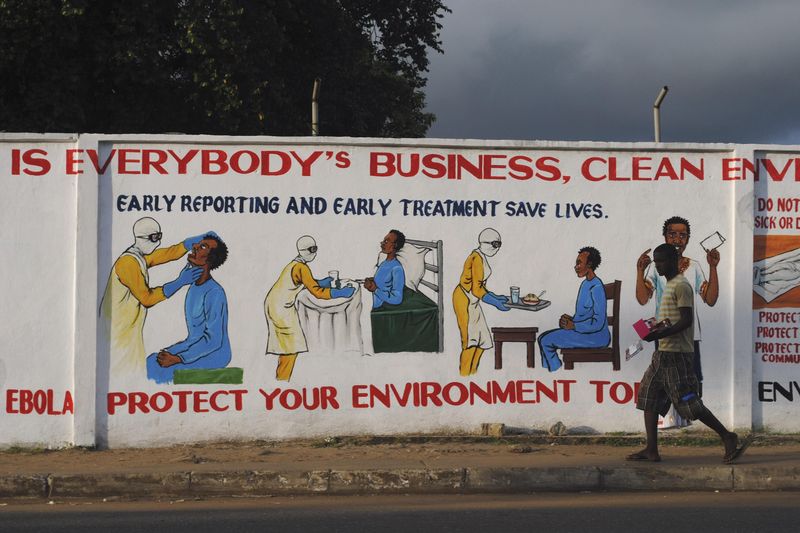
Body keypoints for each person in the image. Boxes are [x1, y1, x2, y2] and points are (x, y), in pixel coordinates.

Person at [628, 243, 750, 464]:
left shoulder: (681, 286)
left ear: (674, 261)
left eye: (662, 261)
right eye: (656, 262)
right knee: (649, 397)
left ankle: (728, 436)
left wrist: (658, 333)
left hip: (676, 355)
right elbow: (671, 318)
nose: (658, 266)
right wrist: (653, 329)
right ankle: (651, 450)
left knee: (689, 403)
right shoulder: (669, 285)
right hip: (662, 354)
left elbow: (686, 320)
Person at [100, 217, 209, 375]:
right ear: (141, 237)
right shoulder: (127, 263)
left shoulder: (139, 256)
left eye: (159, 236)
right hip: (118, 332)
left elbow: (165, 254)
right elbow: (147, 298)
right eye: (154, 238)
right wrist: (179, 282)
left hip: (129, 329)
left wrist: (187, 244)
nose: (157, 242)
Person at [636, 216, 720, 393]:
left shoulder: (694, 267)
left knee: (691, 379)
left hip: (688, 336)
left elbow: (710, 299)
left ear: (688, 239)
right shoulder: (657, 268)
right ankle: (669, 415)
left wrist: (713, 267)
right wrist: (640, 272)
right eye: (672, 234)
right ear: (665, 237)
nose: (677, 239)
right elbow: (643, 298)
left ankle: (690, 412)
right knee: (663, 378)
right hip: (663, 333)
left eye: (683, 235)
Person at [264, 235, 355, 381]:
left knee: (287, 347)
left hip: (275, 304)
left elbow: (308, 283)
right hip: (281, 308)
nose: (315, 253)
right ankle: (282, 380)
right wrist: (340, 293)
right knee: (290, 348)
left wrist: (323, 282)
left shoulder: (295, 264)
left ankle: (281, 378)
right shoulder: (301, 267)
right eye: (313, 249)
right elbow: (317, 292)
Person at [146, 234, 232, 384]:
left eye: (203, 247)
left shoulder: (215, 292)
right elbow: (194, 337)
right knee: (152, 360)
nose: (195, 247)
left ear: (210, 259)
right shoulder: (193, 287)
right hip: (193, 345)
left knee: (161, 372)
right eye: (198, 244)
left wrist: (178, 358)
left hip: (215, 353)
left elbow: (213, 340)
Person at [538, 247, 610, 372]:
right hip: (584, 333)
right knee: (542, 337)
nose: (575, 266)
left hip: (596, 337)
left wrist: (574, 326)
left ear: (590, 264)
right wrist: (570, 320)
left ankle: (554, 372)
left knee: (545, 341)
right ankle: (551, 371)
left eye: (579, 263)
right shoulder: (585, 284)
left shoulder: (597, 287)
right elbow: (585, 315)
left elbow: (598, 322)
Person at [453, 228, 509, 376]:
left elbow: (480, 286)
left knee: (482, 341)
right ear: (485, 243)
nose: (496, 248)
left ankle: (473, 372)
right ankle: (464, 375)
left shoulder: (481, 257)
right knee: (470, 342)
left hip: (474, 300)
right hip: (464, 299)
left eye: (499, 244)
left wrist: (496, 297)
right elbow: (476, 289)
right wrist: (495, 302)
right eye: (495, 244)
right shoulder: (476, 258)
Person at [364, 230, 406, 308]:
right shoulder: (384, 263)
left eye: (387, 241)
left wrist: (374, 289)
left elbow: (397, 299)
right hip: (371, 298)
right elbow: (385, 281)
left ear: (395, 245)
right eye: (384, 240)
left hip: (377, 303)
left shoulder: (397, 268)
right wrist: (372, 280)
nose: (382, 243)